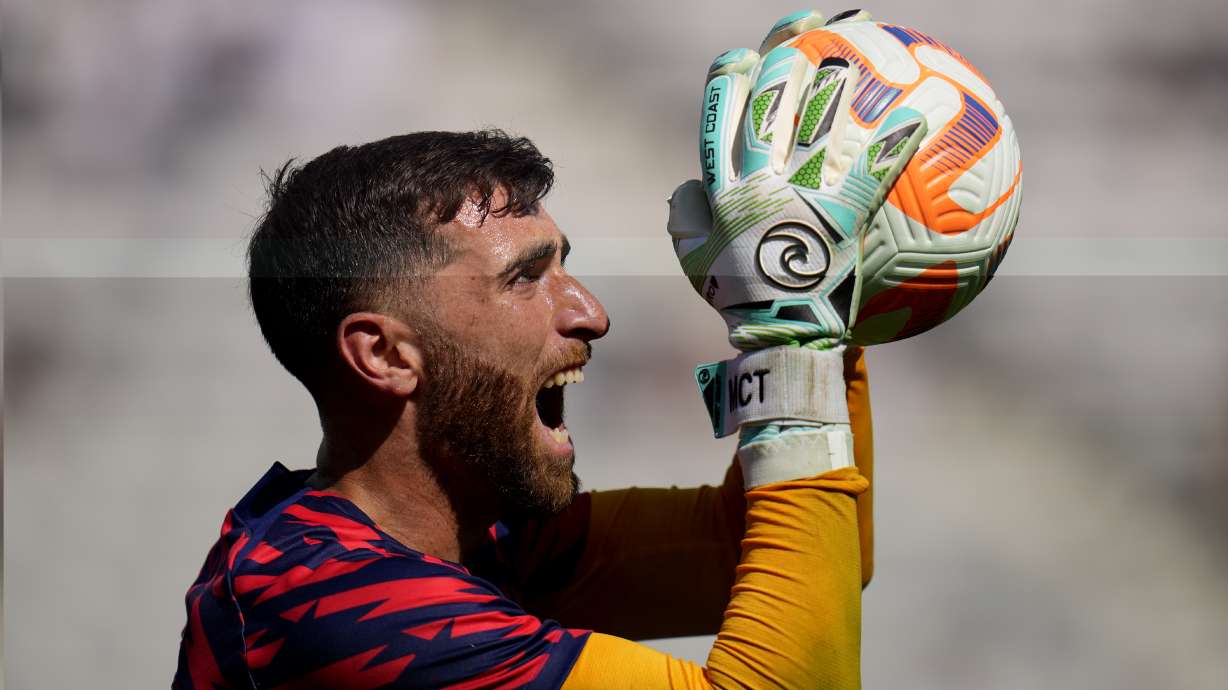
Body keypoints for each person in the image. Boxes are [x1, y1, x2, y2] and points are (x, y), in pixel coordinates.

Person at [176, 12, 884, 689]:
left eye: (563, 265)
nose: (591, 314)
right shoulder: (327, 604)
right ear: (385, 355)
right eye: (525, 278)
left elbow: (792, 553)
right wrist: (790, 323)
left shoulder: (486, 531)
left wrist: (828, 301)